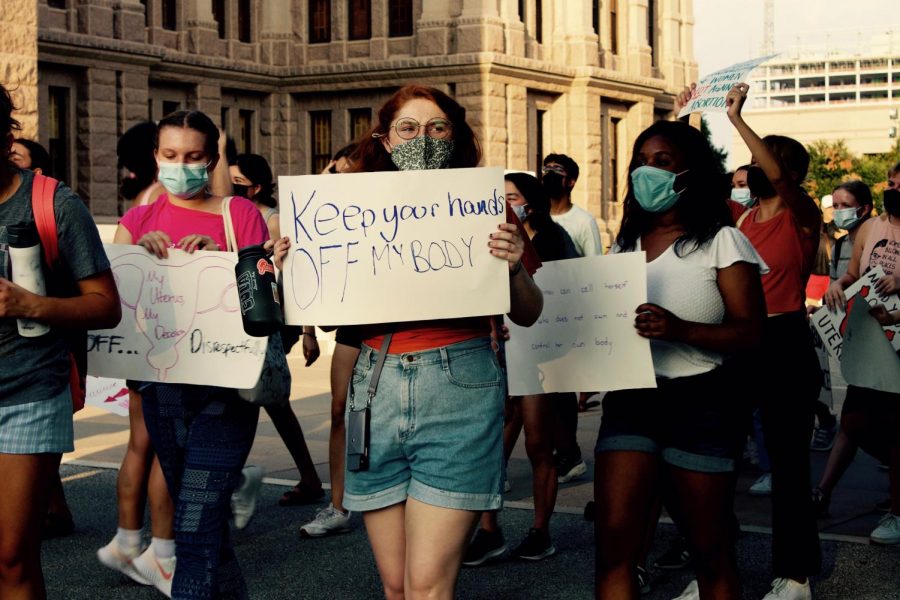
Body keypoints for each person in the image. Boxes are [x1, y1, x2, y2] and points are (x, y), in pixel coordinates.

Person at [321, 84, 543, 599]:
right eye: (409, 127)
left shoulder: (485, 204)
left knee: (427, 588)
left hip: (458, 383)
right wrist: (295, 265)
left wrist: (512, 268)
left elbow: (530, 311)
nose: (424, 138)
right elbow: (330, 309)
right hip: (375, 387)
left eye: (438, 128)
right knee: (396, 586)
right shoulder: (352, 208)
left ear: (456, 136)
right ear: (384, 137)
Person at [593, 119, 766, 600]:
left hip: (702, 404)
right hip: (631, 398)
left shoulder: (722, 241)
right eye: (641, 162)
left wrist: (679, 329)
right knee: (613, 544)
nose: (646, 172)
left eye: (662, 163)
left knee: (709, 548)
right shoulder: (624, 244)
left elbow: (752, 334)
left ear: (690, 173)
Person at [114, 109, 270, 598]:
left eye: (194, 157)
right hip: (164, 392)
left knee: (196, 519)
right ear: (156, 157)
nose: (181, 166)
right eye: (169, 155)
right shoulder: (136, 221)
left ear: (212, 159)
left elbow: (264, 303)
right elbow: (116, 309)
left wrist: (221, 262)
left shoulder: (239, 214)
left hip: (227, 393)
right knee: (199, 518)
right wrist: (141, 254)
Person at [0, 82, 121, 598]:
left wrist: (33, 305)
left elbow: (105, 305)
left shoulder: (53, 203)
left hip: (27, 393)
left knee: (12, 558)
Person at [728, 82, 824, 600]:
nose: (754, 168)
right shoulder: (740, 217)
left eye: (761, 159)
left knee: (788, 466)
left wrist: (740, 119)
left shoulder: (802, 218)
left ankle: (797, 574)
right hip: (743, 338)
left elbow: (782, 178)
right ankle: (713, 570)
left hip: (786, 341)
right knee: (714, 457)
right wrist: (684, 119)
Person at [464, 172, 578, 566]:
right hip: (498, 350)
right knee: (489, 446)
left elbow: (566, 293)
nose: (505, 203)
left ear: (530, 201)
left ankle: (539, 531)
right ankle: (489, 531)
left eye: (512, 197)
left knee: (537, 444)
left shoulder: (553, 239)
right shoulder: (487, 231)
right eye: (501, 197)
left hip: (538, 353)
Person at [98, 120, 177, 597]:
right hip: (164, 337)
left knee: (140, 443)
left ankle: (129, 539)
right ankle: (155, 551)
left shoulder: (139, 202)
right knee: (160, 446)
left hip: (141, 338)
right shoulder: (156, 201)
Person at [228, 152, 326, 512]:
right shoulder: (231, 215)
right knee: (274, 403)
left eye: (237, 183)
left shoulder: (272, 219)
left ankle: (235, 478)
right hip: (240, 316)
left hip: (269, 320)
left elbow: (296, 274)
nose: (229, 188)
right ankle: (308, 477)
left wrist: (308, 331)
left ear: (255, 187)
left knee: (258, 397)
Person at [822, 181, 900, 546]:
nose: (894, 189)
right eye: (893, 182)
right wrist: (839, 284)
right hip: (870, 335)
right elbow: (854, 272)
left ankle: (897, 512)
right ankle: (822, 492)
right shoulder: (870, 228)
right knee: (854, 419)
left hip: (897, 335)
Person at [299, 148, 362, 538]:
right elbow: (309, 264)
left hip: (396, 327)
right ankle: (337, 504)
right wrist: (308, 331)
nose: (338, 179)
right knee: (339, 410)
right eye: (334, 173)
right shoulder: (329, 218)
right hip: (353, 328)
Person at [811, 181, 875, 512]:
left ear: (864, 209)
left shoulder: (881, 241)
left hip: (880, 344)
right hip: (860, 345)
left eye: (844, 205)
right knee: (853, 420)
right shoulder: (837, 247)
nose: (838, 212)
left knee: (860, 421)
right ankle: (823, 492)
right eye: (834, 205)